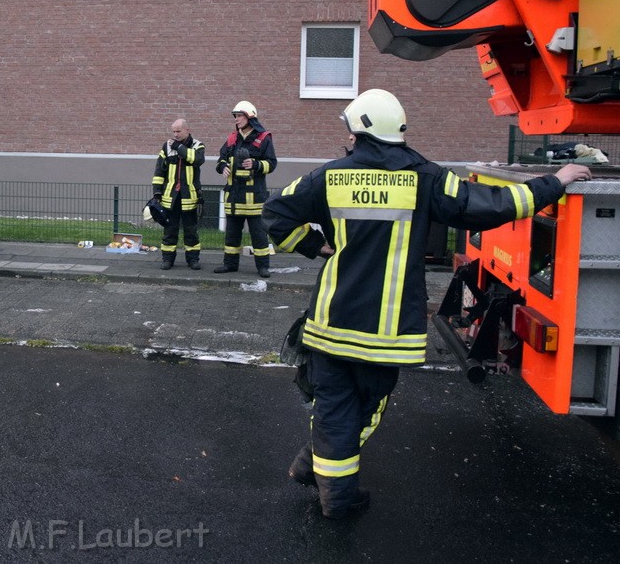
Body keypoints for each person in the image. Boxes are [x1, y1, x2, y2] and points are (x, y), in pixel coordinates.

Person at [261, 89, 592, 519]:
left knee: (332, 407)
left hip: (331, 323)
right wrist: (556, 181)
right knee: (364, 409)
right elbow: (491, 207)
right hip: (387, 332)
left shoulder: (329, 176)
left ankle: (319, 471)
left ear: (359, 131)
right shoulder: (426, 176)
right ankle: (333, 493)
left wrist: (315, 246)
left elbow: (275, 214)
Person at [214, 101, 277, 278]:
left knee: (259, 236)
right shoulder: (232, 138)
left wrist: (256, 164)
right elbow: (221, 159)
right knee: (232, 235)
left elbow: (272, 164)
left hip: (254, 199)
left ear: (250, 117)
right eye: (235, 116)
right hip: (234, 197)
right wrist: (223, 166)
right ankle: (230, 264)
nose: (237, 119)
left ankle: (263, 267)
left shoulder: (264, 138)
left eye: (240, 115)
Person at [152, 119, 206, 270]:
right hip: (171, 197)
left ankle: (193, 260)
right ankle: (168, 259)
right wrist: (157, 193)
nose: (175, 135)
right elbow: (159, 171)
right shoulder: (167, 147)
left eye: (178, 131)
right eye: (173, 131)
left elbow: (196, 159)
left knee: (191, 231)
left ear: (187, 130)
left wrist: (178, 147)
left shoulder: (197, 145)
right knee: (169, 230)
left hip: (189, 197)